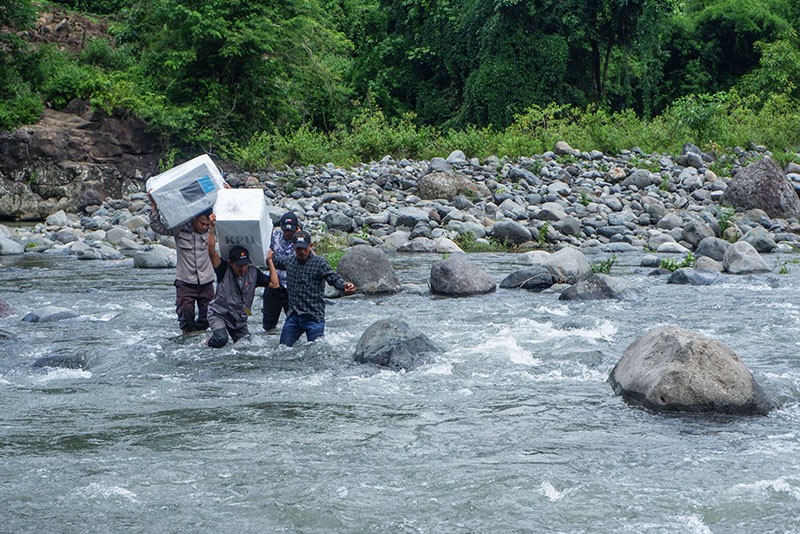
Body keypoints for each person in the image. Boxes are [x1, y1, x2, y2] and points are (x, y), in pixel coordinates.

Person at [267, 230, 356, 347]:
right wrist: (266, 254)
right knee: (282, 349)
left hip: (314, 318)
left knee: (316, 351)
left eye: (305, 248)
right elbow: (274, 260)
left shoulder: (320, 264)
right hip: (294, 316)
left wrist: (344, 285)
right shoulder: (289, 262)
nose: (302, 252)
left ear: (311, 246)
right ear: (293, 247)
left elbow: (333, 278)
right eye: (299, 249)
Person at [148, 196, 217, 334]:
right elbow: (158, 227)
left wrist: (227, 195)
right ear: (194, 219)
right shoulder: (180, 228)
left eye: (207, 225)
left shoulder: (212, 229)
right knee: (186, 317)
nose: (204, 227)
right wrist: (154, 207)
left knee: (208, 317)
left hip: (206, 280)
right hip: (185, 281)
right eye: (202, 224)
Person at [205, 245, 271, 348]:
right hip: (219, 314)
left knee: (247, 345)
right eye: (240, 266)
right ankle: (206, 343)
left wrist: (270, 261)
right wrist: (212, 228)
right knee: (221, 339)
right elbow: (211, 252)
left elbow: (275, 284)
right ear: (230, 263)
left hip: (238, 319)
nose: (243, 269)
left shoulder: (253, 273)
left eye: (246, 265)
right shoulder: (223, 269)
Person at [262, 212, 302, 332]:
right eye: (285, 230)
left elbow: (312, 258)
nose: (288, 233)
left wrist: (299, 235)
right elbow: (262, 229)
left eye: (291, 230)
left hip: (293, 287)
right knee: (268, 325)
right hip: (275, 284)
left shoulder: (302, 241)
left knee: (296, 324)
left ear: (297, 228)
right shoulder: (274, 236)